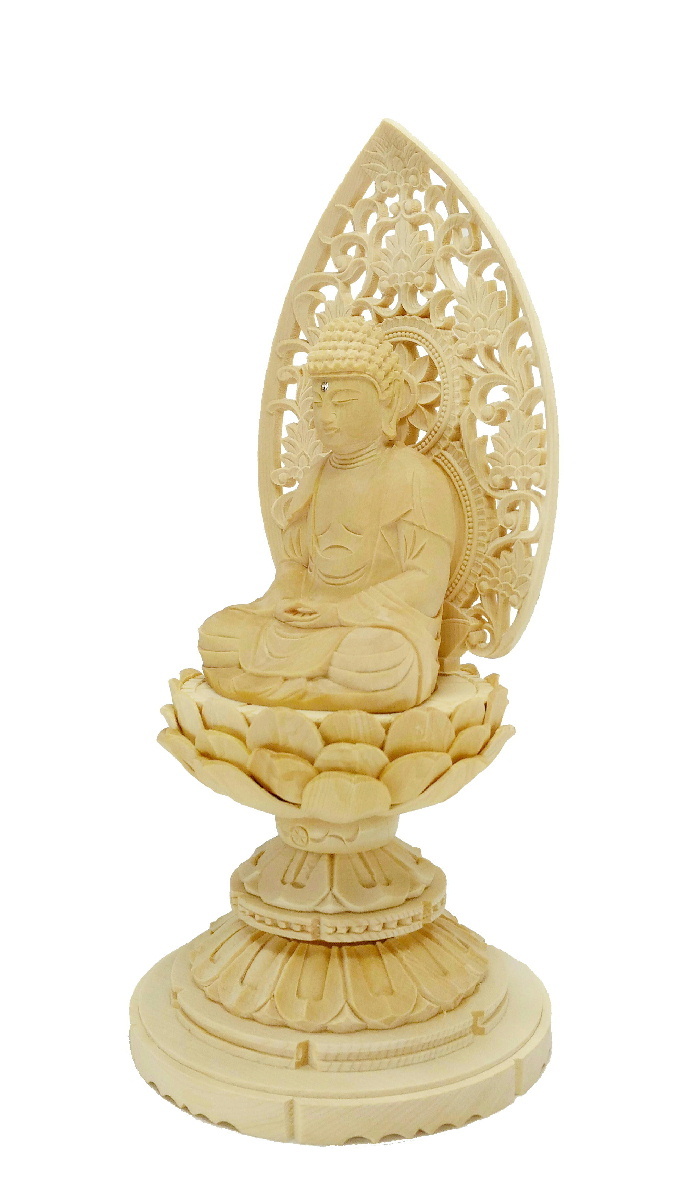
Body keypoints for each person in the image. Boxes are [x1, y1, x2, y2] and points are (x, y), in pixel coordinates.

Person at [199, 317, 458, 712]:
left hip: (373, 629)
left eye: (343, 402)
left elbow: (427, 581)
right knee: (219, 634)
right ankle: (319, 694)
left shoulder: (414, 476)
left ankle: (278, 690)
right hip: (307, 624)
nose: (325, 417)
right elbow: (295, 563)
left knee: (384, 657)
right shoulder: (317, 475)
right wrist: (283, 599)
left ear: (390, 402)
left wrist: (339, 613)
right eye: (318, 402)